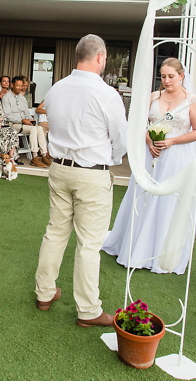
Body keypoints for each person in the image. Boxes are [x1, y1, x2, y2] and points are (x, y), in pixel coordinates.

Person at [34, 34, 127, 327]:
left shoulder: (55, 89)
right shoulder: (107, 94)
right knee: (89, 243)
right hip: (91, 173)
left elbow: (50, 123)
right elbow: (120, 140)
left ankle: (44, 293)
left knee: (55, 232)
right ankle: (88, 310)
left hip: (59, 168)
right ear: (100, 57)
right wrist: (111, 158)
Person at [102, 58, 196, 274]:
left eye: (171, 76)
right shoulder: (153, 97)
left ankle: (159, 252)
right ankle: (134, 247)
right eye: (163, 76)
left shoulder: (191, 100)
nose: (166, 81)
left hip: (176, 158)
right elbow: (140, 124)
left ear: (181, 76)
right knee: (143, 197)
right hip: (150, 156)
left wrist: (172, 141)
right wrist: (149, 141)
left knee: (167, 202)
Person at [2, 76, 50, 167]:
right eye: (18, 85)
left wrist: (30, 120)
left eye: (21, 86)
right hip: (12, 124)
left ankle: (44, 155)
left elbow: (27, 113)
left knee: (39, 128)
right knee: (33, 129)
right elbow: (7, 115)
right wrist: (22, 120)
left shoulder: (22, 98)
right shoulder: (6, 97)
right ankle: (35, 157)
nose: (20, 88)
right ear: (12, 85)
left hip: (24, 124)